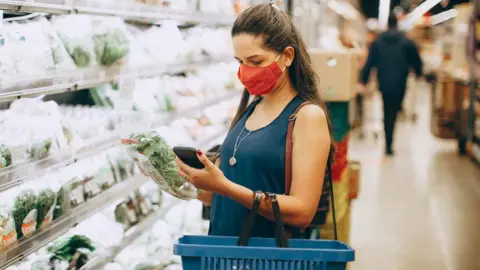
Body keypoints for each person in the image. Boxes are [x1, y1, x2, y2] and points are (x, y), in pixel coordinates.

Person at [175, 3, 333, 238]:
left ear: (287, 56)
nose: (246, 71)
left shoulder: (306, 117)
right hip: (223, 254)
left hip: (265, 257)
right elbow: (220, 196)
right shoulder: (251, 109)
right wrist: (175, 177)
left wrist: (224, 186)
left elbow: (302, 212)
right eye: (240, 62)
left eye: (256, 62)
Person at [360, 14, 423, 156]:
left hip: (384, 82)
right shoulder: (406, 41)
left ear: (387, 25)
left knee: (386, 111)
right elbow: (416, 59)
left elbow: (370, 63)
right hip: (400, 83)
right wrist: (419, 73)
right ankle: (390, 140)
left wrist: (364, 80)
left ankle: (388, 141)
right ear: (397, 24)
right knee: (393, 111)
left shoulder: (378, 42)